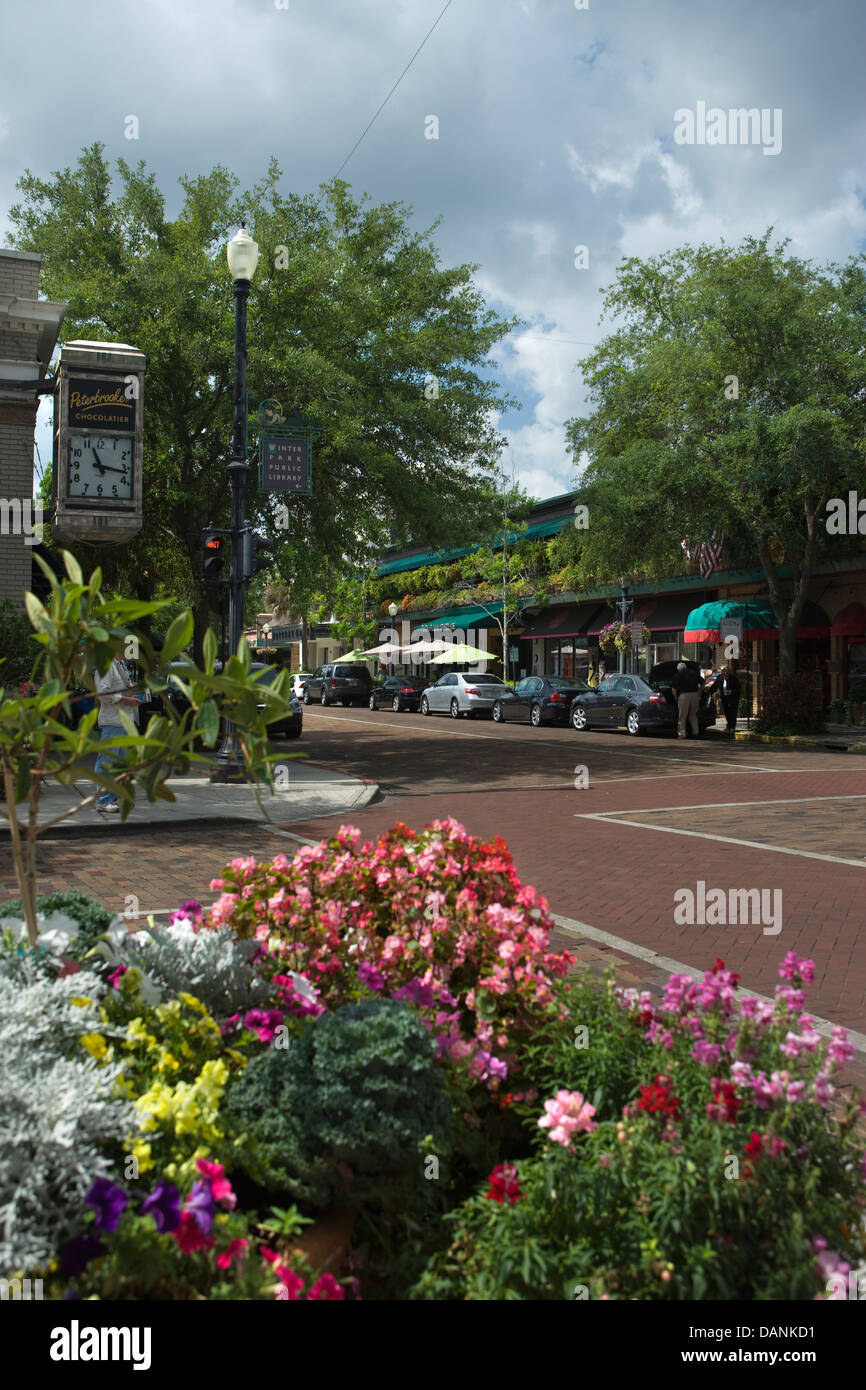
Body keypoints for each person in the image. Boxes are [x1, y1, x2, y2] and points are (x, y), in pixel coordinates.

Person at [93, 644, 140, 814]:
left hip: (123, 720)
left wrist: (131, 694)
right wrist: (125, 699)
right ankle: (104, 799)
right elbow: (103, 694)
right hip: (113, 721)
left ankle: (113, 797)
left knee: (119, 762)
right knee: (107, 761)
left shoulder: (119, 665)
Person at [671, 660, 701, 738]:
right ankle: (696, 732)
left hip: (684, 696)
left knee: (682, 716)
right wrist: (699, 691)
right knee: (693, 714)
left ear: (678, 669)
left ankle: (682, 734)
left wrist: (676, 698)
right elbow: (704, 682)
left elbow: (673, 689)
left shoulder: (678, 675)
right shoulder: (694, 673)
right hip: (695, 695)